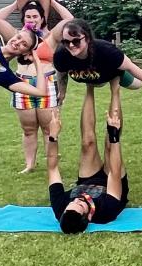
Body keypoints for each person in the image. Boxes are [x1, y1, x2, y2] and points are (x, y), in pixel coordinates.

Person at [0, 0, 73, 173]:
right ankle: (29, 164)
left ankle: (51, 163)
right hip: (23, 83)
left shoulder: (50, 37)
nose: (31, 19)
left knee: (48, 127)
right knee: (28, 129)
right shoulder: (18, 36)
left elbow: (69, 19)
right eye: (28, 16)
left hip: (47, 83)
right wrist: (17, 2)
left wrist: (51, 2)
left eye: (35, 16)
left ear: (42, 18)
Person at [47, 80, 129, 234]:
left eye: (72, 203)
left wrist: (53, 136)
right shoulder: (106, 210)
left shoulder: (60, 207)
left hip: (87, 180)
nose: (78, 199)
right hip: (114, 184)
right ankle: (115, 87)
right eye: (80, 205)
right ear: (88, 216)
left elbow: (52, 169)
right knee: (109, 145)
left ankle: (89, 84)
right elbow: (115, 172)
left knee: (87, 143)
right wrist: (114, 135)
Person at [52, 19, 142, 97]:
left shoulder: (106, 50)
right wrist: (62, 92)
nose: (71, 45)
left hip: (111, 73)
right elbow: (62, 73)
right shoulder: (61, 54)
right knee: (95, 84)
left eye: (76, 41)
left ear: (87, 38)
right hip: (93, 77)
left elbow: (129, 66)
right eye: (66, 41)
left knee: (135, 85)